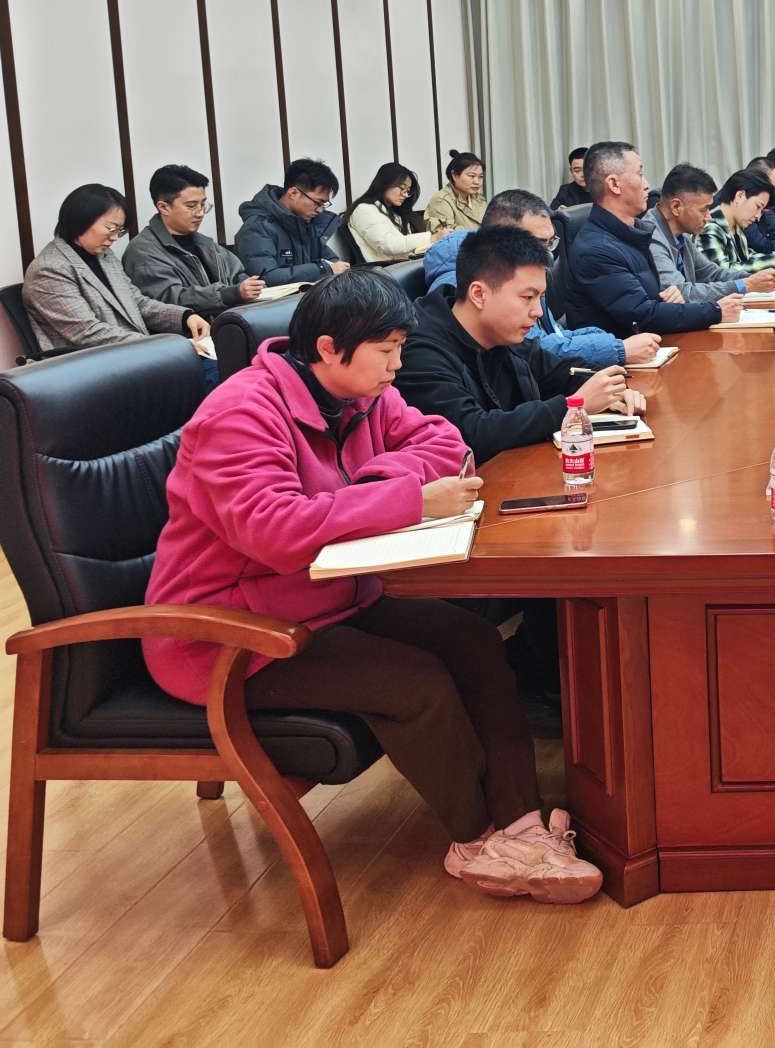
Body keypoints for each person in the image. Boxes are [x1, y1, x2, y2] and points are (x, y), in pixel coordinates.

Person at [141, 267, 602, 903]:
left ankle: (521, 822)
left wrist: (374, 487)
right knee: (415, 682)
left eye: (400, 350)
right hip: (231, 633)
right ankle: (475, 840)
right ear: (329, 348)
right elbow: (274, 531)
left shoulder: (359, 392)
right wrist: (406, 500)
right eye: (386, 352)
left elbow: (442, 439)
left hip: (330, 594)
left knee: (473, 641)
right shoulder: (240, 413)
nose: (396, 367)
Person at [396, 223, 646, 463]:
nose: (538, 311)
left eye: (541, 298)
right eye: (527, 297)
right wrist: (572, 406)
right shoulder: (419, 351)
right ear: (479, 294)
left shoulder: (500, 332)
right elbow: (471, 433)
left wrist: (609, 388)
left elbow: (558, 370)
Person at [423, 190, 662, 370]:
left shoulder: (527, 272)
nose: (547, 254)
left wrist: (610, 342)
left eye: (550, 242)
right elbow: (529, 351)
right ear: (501, 238)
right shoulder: (463, 281)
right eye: (538, 243)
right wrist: (618, 350)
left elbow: (553, 336)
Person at [22, 184, 213, 361]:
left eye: (120, 231)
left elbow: (137, 303)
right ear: (80, 221)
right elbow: (88, 333)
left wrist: (184, 317)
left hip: (133, 356)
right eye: (111, 228)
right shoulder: (49, 269)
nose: (114, 238)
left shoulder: (105, 256)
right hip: (92, 367)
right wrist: (168, 345)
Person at [562, 142, 738, 334]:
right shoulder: (597, 250)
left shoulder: (634, 232)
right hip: (626, 350)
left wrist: (670, 297)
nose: (647, 185)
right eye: (640, 174)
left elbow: (652, 299)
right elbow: (642, 316)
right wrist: (715, 311)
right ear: (614, 184)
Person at [123, 163, 264, 316]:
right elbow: (170, 300)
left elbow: (238, 275)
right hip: (190, 329)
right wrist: (230, 294)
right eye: (191, 206)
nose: (200, 213)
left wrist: (253, 287)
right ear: (163, 207)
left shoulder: (205, 243)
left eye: (203, 205)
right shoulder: (143, 250)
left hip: (230, 321)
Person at [642, 164, 775, 301]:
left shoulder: (682, 235)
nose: (709, 217)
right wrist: (745, 285)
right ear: (676, 206)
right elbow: (682, 292)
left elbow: (712, 273)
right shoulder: (651, 237)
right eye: (703, 210)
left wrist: (752, 279)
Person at [235, 158, 349, 284]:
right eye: (318, 202)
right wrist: (322, 269)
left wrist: (336, 267)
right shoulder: (257, 228)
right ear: (293, 193)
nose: (320, 210)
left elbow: (331, 260)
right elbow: (265, 278)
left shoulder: (306, 224)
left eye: (324, 204)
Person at [699, 166, 775, 276]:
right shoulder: (710, 227)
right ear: (740, 196)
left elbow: (745, 257)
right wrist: (771, 261)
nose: (758, 216)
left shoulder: (736, 226)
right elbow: (722, 272)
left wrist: (774, 257)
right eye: (758, 206)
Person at [346, 162, 435, 262]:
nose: (405, 195)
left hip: (400, 265)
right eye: (402, 188)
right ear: (385, 183)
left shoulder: (395, 213)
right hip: (383, 269)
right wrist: (431, 237)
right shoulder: (364, 209)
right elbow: (388, 245)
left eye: (408, 191)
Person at [423, 151, 487, 237]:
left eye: (480, 177)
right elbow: (447, 236)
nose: (477, 181)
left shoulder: (479, 198)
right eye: (471, 176)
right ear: (455, 176)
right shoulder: (441, 200)